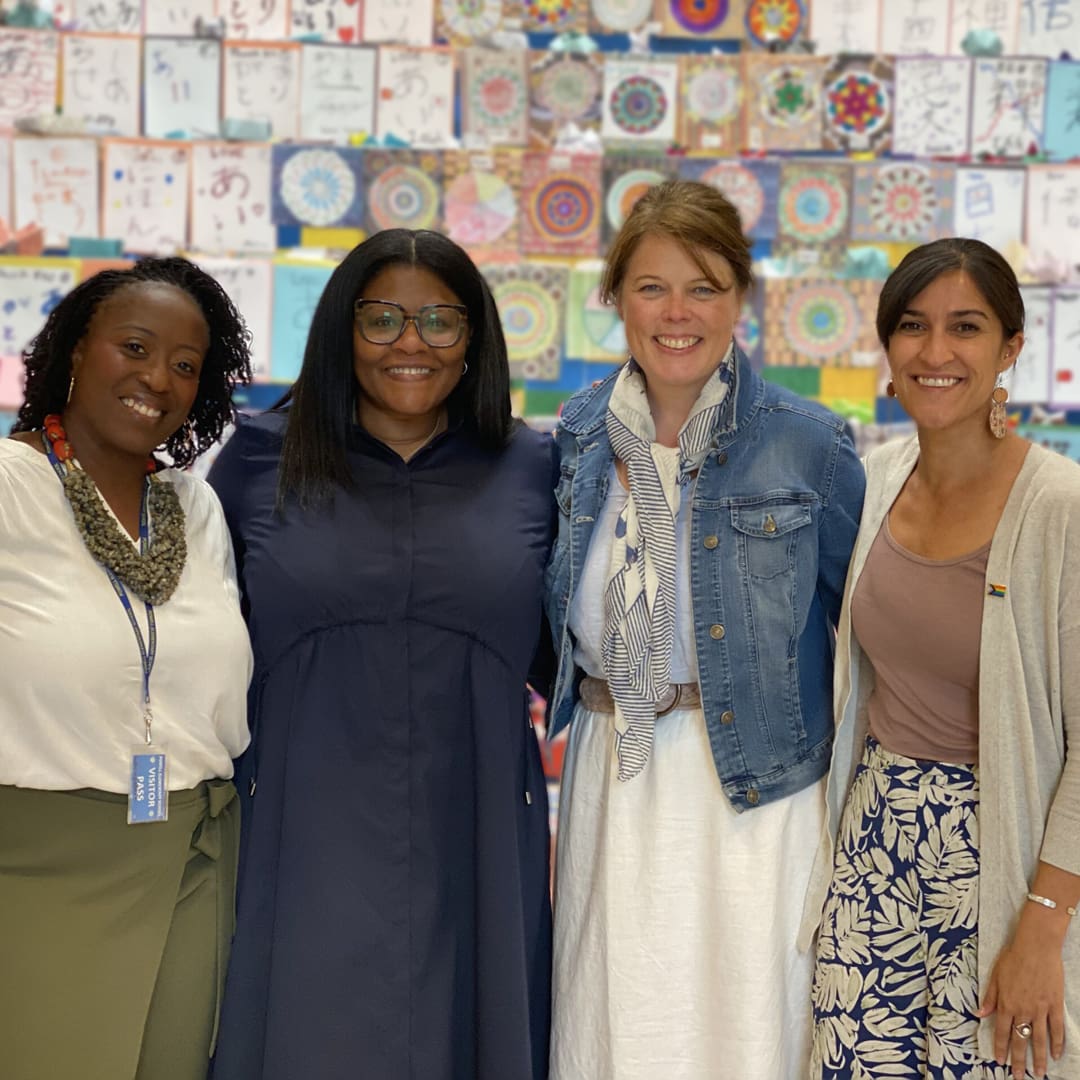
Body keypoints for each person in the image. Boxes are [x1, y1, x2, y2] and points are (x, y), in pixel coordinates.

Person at [207, 228, 556, 1080]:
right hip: (295, 833)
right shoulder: (258, 459)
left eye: (440, 319)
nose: (411, 342)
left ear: (475, 337)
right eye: (383, 318)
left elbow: (579, 653)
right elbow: (196, 645)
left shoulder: (536, 466)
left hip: (476, 827)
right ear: (340, 331)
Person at [543, 178, 866, 1079]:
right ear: (613, 299)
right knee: (614, 1027)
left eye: (705, 287)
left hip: (754, 791)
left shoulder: (811, 445)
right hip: (618, 772)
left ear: (741, 300)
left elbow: (862, 637)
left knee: (744, 1030)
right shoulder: (574, 438)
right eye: (651, 287)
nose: (676, 313)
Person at [803, 237, 1080, 1080]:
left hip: (1001, 855)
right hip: (873, 845)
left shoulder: (1060, 507)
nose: (935, 352)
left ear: (1011, 349)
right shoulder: (875, 479)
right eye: (913, 327)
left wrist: (1042, 925)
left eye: (966, 326)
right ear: (886, 348)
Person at [0, 257, 254, 1080]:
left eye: (187, 366)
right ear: (76, 351)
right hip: (42, 868)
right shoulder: (11, 488)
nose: (159, 379)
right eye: (135, 348)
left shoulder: (195, 507)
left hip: (196, 859)